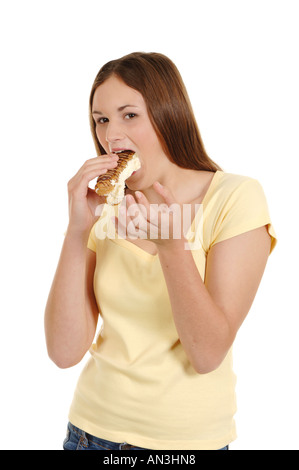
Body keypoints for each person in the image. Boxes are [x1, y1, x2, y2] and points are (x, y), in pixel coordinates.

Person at [44, 52, 277, 451]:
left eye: (129, 115)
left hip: (188, 444)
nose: (111, 135)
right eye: (101, 119)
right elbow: (64, 353)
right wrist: (76, 229)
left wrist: (173, 248)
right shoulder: (105, 207)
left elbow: (206, 354)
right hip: (90, 434)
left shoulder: (236, 197)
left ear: (169, 113)